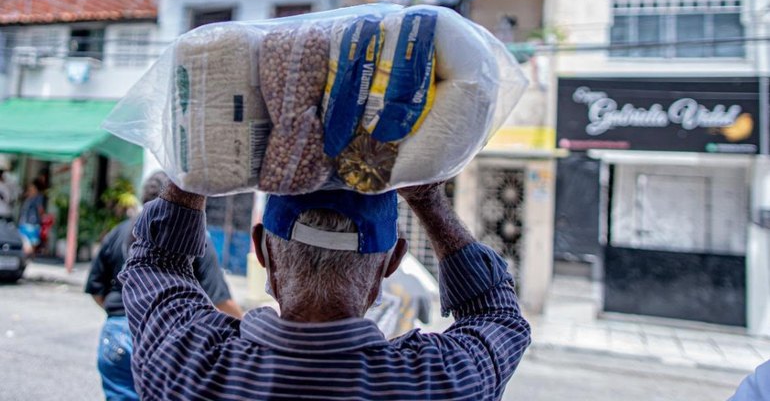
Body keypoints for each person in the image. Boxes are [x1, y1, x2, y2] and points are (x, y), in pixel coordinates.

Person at [120, 180, 531, 400]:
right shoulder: (439, 382)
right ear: (391, 261)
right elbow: (497, 317)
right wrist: (428, 200)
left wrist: (197, 169)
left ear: (262, 249)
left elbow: (154, 262)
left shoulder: (186, 362)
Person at [85, 172, 243, 401]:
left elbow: (97, 289)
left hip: (115, 334)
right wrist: (248, 331)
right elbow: (220, 300)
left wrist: (124, 313)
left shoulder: (117, 232)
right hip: (166, 338)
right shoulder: (195, 240)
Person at [18, 179, 45, 248]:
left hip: (32, 223)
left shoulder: (38, 197)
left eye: (32, 188)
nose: (30, 189)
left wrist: (42, 219)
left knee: (32, 243)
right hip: (24, 223)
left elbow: (40, 209)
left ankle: (30, 257)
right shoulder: (28, 199)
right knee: (24, 243)